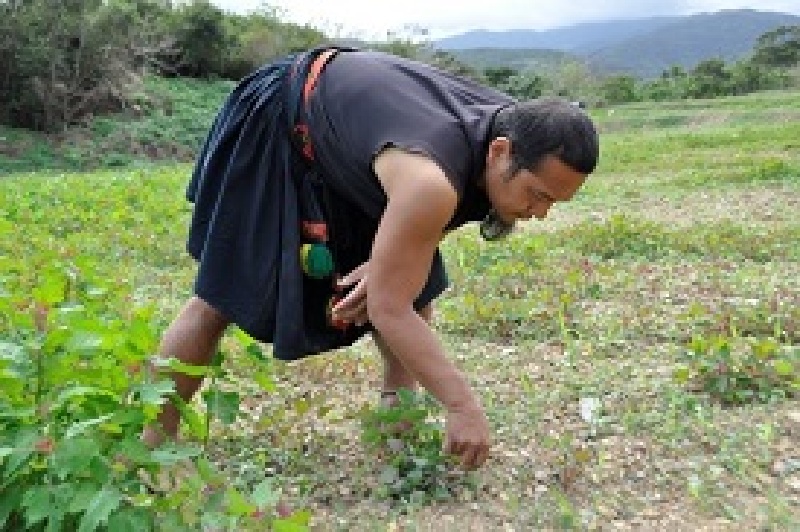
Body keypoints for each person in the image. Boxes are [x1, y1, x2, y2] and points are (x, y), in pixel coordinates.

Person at [142, 46, 599, 471]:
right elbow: (388, 306)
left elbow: (406, 269)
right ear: (500, 153)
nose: (539, 214)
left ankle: (395, 437)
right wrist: (462, 405)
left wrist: (386, 268)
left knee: (412, 290)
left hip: (361, 146)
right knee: (217, 300)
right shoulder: (430, 179)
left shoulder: (516, 128)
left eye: (554, 204)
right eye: (536, 196)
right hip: (285, 116)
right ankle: (150, 449)